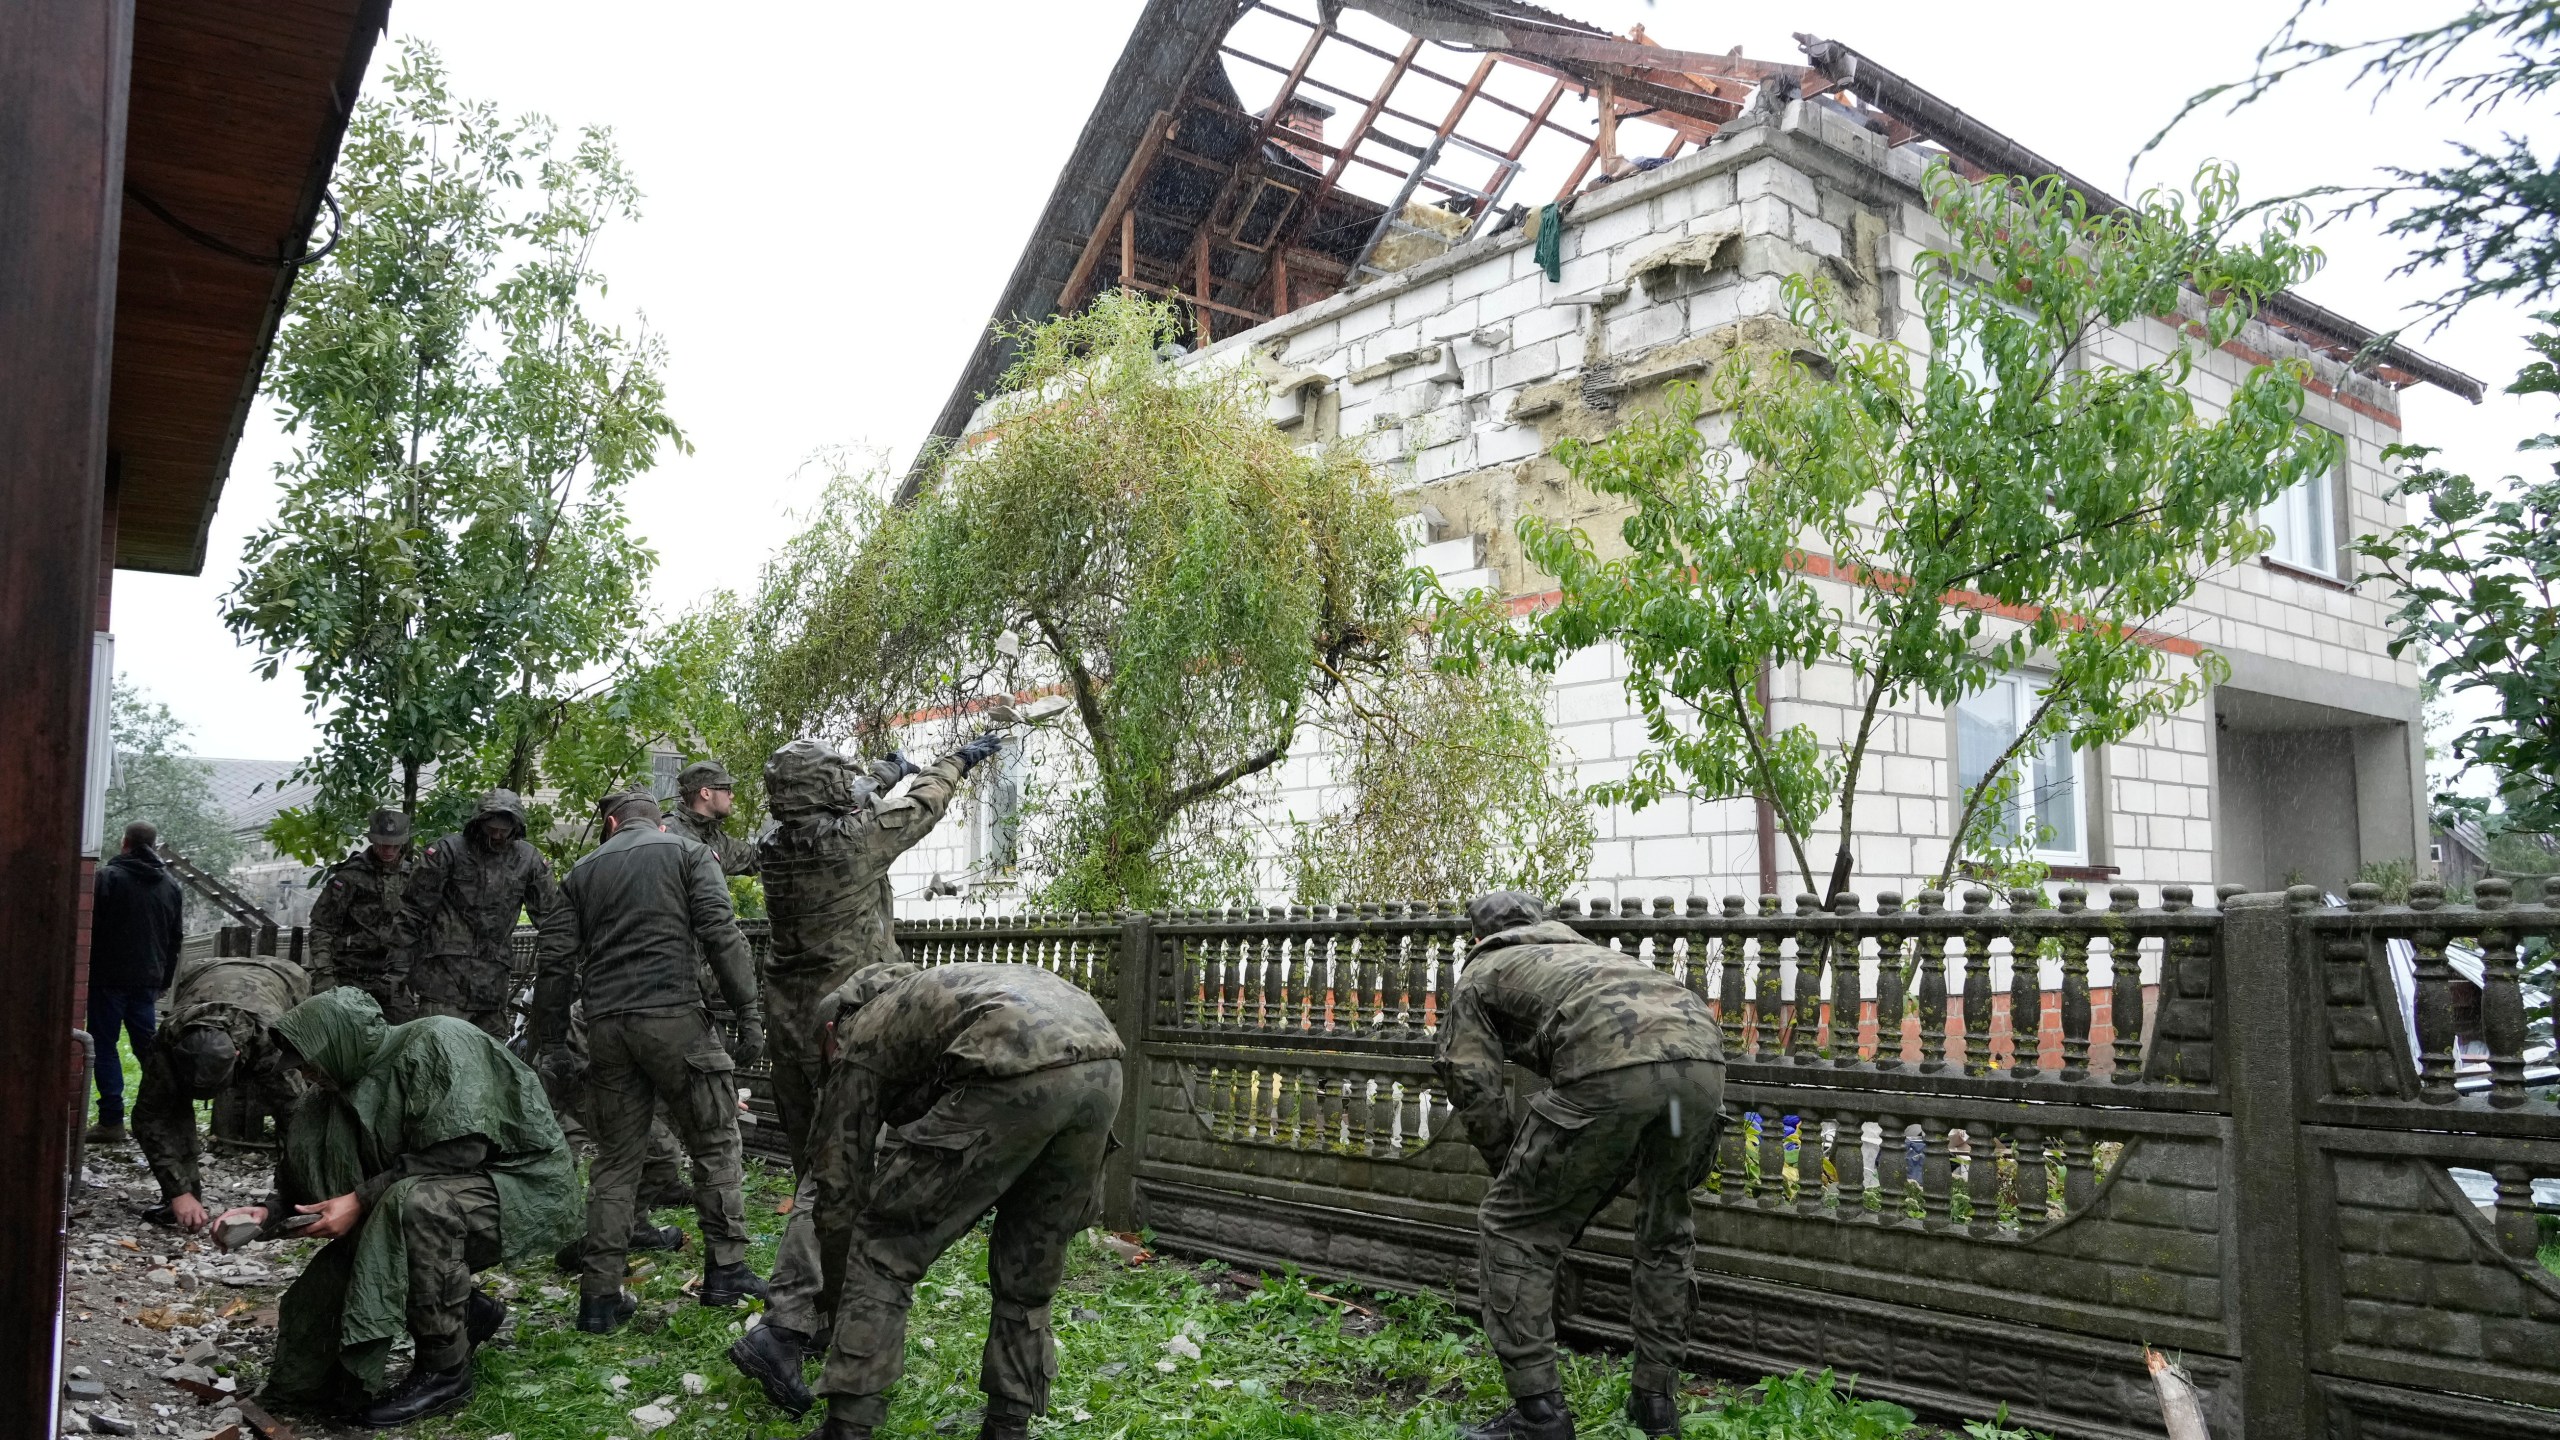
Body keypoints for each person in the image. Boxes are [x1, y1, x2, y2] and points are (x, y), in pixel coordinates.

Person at [729, 735, 997, 1410]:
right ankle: (786, 1325)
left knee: (812, 1164)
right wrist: (955, 762)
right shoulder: (852, 843)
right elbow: (923, 807)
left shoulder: (773, 844)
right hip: (846, 1018)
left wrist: (884, 771)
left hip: (791, 1020)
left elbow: (857, 798)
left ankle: (823, 1311)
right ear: (827, 790)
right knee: (835, 1171)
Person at [766, 962, 1123, 1440]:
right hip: (1102, 1064)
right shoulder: (939, 992)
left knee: (881, 1248)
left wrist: (835, 1301)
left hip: (1015, 1058)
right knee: (1030, 1262)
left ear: (832, 1031)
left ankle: (847, 1428)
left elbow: (837, 1188)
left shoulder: (858, 1035)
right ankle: (1007, 1425)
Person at [214, 987, 579, 1426]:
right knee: (346, 1273)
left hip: (516, 1184)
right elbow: (305, 1181)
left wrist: (359, 1199)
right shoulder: (327, 1097)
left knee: (412, 1207)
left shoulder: (436, 1040)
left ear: (340, 1043)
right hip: (416, 1199)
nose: (309, 1077)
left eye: (312, 1063)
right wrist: (267, 1213)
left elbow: (462, 1151)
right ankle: (467, 1311)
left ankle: (445, 1372)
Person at [1436, 891, 1726, 1440]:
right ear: (1543, 923)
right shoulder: (1589, 955)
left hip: (1612, 1068)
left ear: (1477, 937)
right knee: (1666, 1229)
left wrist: (1505, 1163)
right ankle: (1656, 1408)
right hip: (1701, 1063)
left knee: (1513, 1227)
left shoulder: (1484, 968)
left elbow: (1469, 1078)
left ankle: (1538, 1417)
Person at [534, 789, 770, 1333]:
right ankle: (726, 1274)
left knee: (616, 1161)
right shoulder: (686, 854)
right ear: (658, 822)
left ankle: (598, 1299)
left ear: (611, 823)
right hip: (675, 1020)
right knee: (714, 1140)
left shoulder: (580, 874)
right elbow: (720, 934)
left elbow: (555, 964)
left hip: (607, 1029)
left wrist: (549, 1042)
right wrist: (749, 1013)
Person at [134, 950, 310, 1231]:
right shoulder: (168, 1040)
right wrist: (178, 1192)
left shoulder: (271, 1044)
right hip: (206, 973)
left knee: (295, 1113)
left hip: (282, 977)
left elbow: (300, 1119)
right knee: (168, 1105)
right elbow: (152, 1118)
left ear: (238, 1054)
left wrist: (283, 1203)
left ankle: (298, 1201)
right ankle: (183, 1203)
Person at [391, 789, 557, 1040]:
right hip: (443, 982)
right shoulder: (448, 852)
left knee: (489, 1066)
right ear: (479, 823)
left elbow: (552, 921)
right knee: (436, 1056)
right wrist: (397, 970)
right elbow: (413, 912)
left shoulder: (528, 860)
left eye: (504, 829)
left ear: (516, 826)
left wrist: (564, 969)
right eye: (492, 828)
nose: (498, 835)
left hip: (492, 988)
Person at [88, 820, 186, 1145]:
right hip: (147, 981)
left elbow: (91, 929)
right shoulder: (170, 886)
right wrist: (164, 979)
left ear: (124, 842)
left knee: (104, 1046)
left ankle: (111, 1122)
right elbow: (175, 939)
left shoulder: (108, 878)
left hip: (107, 979)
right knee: (150, 1049)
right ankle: (166, 1116)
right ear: (154, 846)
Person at [308, 808, 418, 1023]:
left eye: (394, 846)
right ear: (372, 841)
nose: (388, 850)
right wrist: (325, 973)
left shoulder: (413, 876)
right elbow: (322, 926)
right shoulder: (350, 876)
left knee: (407, 1038)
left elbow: (422, 925)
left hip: (394, 979)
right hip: (350, 975)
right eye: (383, 845)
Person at [667, 758, 760, 876]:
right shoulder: (668, 833)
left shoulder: (715, 837)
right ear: (706, 793)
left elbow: (757, 857)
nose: (732, 795)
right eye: (727, 789)